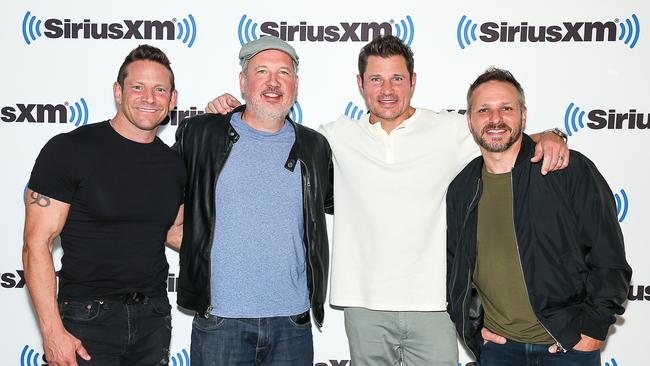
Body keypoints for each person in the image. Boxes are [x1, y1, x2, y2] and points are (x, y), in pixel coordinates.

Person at [206, 35, 567, 366]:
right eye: (376, 79)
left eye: (397, 78)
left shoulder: (449, 129)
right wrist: (233, 113)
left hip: (435, 304)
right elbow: (271, 133)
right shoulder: (334, 137)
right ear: (360, 85)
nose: (387, 90)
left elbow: (503, 136)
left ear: (413, 81)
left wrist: (552, 134)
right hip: (365, 307)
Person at [446, 67, 632, 366]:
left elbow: (607, 253)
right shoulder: (462, 188)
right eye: (484, 110)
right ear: (470, 119)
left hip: (568, 347)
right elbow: (456, 268)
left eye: (506, 108)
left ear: (523, 115)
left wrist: (593, 327)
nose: (495, 119)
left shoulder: (568, 170)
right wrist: (475, 329)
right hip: (499, 350)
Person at [173, 36, 332, 365]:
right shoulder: (202, 135)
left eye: (284, 73)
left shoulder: (315, 147)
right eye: (262, 71)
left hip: (293, 323)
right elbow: (160, 213)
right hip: (221, 322)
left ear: (296, 85)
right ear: (244, 82)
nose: (273, 82)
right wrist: (198, 247)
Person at [23, 44, 186, 366]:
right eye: (137, 87)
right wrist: (52, 331)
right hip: (86, 319)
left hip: (153, 317)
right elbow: (35, 244)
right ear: (118, 91)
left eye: (159, 89)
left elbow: (174, 232)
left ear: (173, 99)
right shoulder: (70, 149)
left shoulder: (174, 163)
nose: (149, 98)